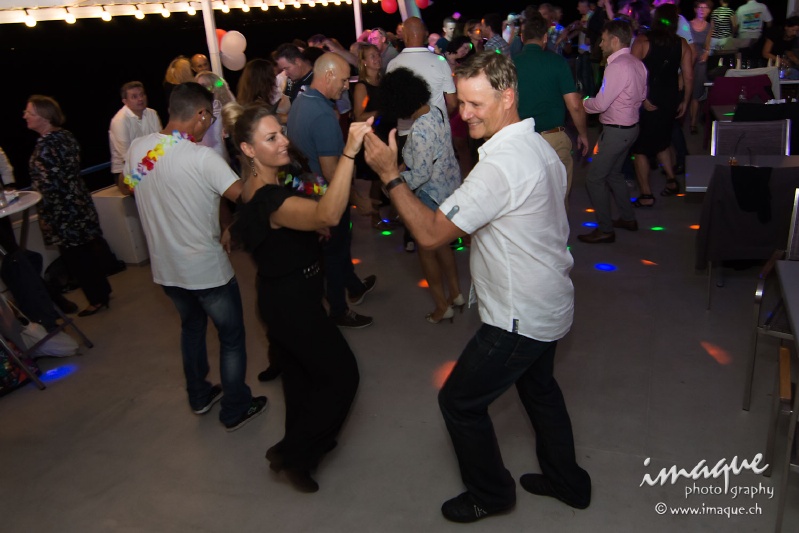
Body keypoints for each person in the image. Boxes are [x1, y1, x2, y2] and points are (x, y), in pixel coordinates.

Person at [364, 52, 591, 523]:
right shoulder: (540, 145)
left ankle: (491, 494)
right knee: (540, 390)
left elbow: (430, 234)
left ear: (507, 97)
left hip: (518, 316)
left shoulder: (500, 166)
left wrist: (389, 175)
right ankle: (568, 481)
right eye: (461, 102)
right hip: (549, 300)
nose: (463, 114)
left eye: (475, 104)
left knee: (459, 402)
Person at [233, 106, 366, 493]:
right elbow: (328, 214)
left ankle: (300, 454)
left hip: (281, 296)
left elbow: (275, 229)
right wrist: (349, 152)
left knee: (300, 381)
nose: (284, 141)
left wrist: (305, 232)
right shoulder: (270, 199)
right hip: (292, 304)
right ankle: (293, 452)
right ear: (248, 149)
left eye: (281, 132)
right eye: (271, 138)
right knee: (343, 375)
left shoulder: (252, 187)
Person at [121, 83, 266, 431]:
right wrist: (251, 157)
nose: (209, 125)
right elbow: (250, 198)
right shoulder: (203, 158)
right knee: (231, 338)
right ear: (200, 114)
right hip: (206, 270)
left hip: (166, 270)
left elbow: (129, 185)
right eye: (210, 118)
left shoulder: (139, 149)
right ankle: (235, 408)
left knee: (191, 328)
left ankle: (199, 396)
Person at [287, 53, 376, 329]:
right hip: (327, 197)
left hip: (308, 190)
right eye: (343, 81)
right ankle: (339, 309)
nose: (347, 87)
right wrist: (358, 199)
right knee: (335, 252)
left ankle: (354, 286)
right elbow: (332, 172)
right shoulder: (323, 115)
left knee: (340, 246)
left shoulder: (301, 100)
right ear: (327, 76)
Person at [380, 68, 464, 323]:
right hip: (449, 187)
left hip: (430, 195)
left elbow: (421, 175)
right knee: (443, 244)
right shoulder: (436, 112)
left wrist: (393, 181)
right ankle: (456, 293)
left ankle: (441, 306)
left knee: (427, 249)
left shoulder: (418, 131)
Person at [25, 95, 112, 318]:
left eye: (30, 113)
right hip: (78, 204)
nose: (25, 116)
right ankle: (102, 292)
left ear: (44, 117)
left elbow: (50, 186)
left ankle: (96, 299)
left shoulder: (46, 146)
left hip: (63, 213)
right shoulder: (65, 136)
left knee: (77, 258)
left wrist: (46, 214)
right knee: (87, 252)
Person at [579, 20, 648, 244]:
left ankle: (605, 230)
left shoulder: (617, 66)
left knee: (594, 179)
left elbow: (600, 104)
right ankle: (628, 219)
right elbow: (642, 96)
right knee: (614, 174)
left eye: (603, 39)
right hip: (631, 128)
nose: (600, 44)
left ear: (615, 40)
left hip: (617, 131)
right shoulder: (637, 63)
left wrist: (582, 102)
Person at [514, 12, 590, 206]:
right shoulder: (557, 62)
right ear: (545, 38)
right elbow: (574, 105)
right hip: (553, 139)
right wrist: (583, 134)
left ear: (522, 38)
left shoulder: (510, 65)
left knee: (529, 202)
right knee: (557, 200)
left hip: (522, 141)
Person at [631, 3, 693, 206]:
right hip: (670, 98)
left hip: (648, 99)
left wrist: (642, 98)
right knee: (663, 140)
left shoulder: (642, 41)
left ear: (655, 19)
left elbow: (631, 74)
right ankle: (672, 181)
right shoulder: (682, 43)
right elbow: (688, 77)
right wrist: (685, 101)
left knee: (640, 148)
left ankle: (646, 195)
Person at [109, 81, 162, 180]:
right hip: (126, 172)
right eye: (134, 97)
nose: (140, 99)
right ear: (125, 101)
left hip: (152, 166)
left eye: (142, 95)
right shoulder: (119, 121)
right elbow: (127, 156)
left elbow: (160, 142)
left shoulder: (152, 113)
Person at [195, 71, 236, 162]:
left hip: (218, 153)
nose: (200, 90)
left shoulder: (219, 107)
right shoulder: (198, 108)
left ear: (213, 87)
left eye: (204, 86)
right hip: (203, 154)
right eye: (198, 86)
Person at [689, 1, 712, 134]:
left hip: (699, 61)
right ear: (695, 9)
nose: (702, 10)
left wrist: (706, 54)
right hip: (687, 59)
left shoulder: (709, 27)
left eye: (705, 7)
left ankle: (693, 123)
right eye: (700, 7)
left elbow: (708, 46)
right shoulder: (688, 25)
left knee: (696, 93)